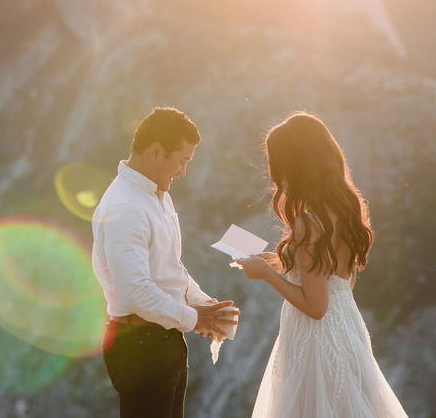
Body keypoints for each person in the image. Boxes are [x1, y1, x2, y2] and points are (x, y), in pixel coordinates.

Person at [236, 112, 407, 418]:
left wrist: (266, 275)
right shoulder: (346, 209)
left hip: (315, 339)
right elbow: (339, 279)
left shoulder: (308, 223)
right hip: (346, 327)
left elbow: (315, 306)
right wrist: (280, 263)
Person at [92, 106, 238, 418]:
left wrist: (205, 305)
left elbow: (169, 267)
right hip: (140, 347)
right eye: (182, 160)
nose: (184, 171)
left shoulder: (158, 195)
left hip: (164, 340)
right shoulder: (125, 207)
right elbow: (135, 292)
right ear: (157, 151)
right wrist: (195, 318)